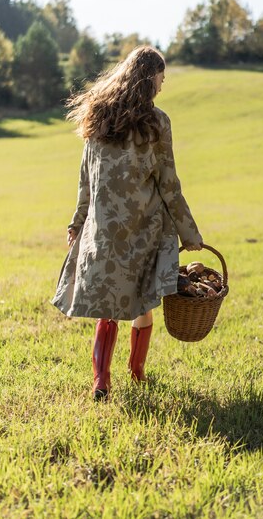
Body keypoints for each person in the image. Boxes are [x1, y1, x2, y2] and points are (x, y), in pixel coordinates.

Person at [50, 45, 203, 401]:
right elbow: (169, 183)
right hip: (143, 229)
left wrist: (77, 224)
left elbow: (85, 180)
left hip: (104, 232)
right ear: (150, 77)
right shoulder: (157, 121)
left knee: (109, 309)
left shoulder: (98, 117)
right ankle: (136, 373)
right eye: (161, 80)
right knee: (142, 305)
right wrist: (189, 233)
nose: (162, 87)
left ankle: (101, 381)